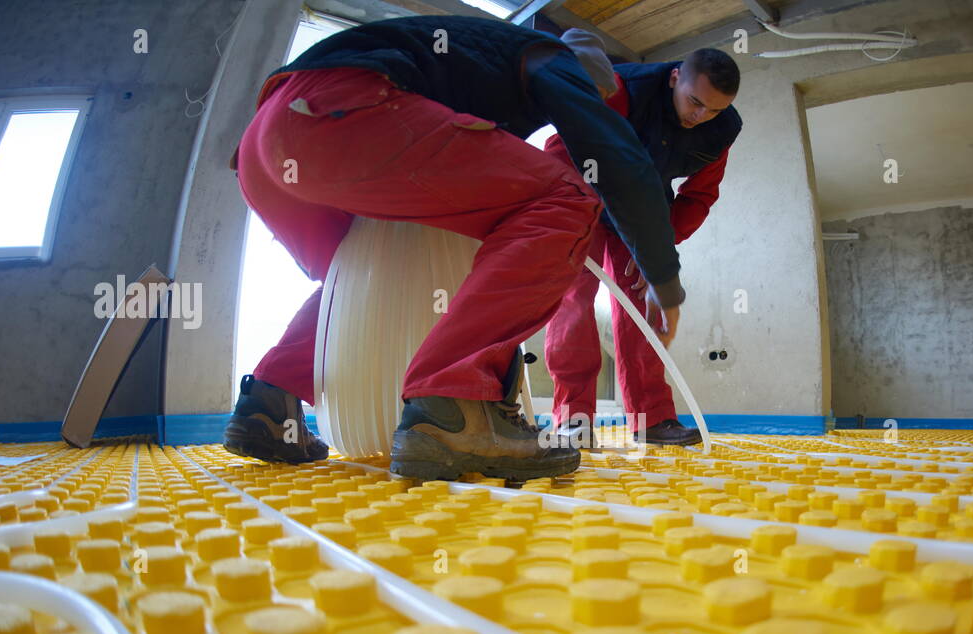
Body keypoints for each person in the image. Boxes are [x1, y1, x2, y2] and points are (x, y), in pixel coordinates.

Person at [221, 16, 684, 480]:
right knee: (565, 200)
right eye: (594, 96)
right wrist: (664, 279)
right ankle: (459, 405)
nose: (590, 104)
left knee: (379, 266)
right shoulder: (553, 59)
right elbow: (616, 156)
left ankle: (269, 403)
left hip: (268, 146)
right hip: (339, 112)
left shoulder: (471, 71)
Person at [543, 49, 740, 447]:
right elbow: (562, 144)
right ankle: (574, 420)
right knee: (573, 300)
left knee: (642, 306)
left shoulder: (721, 131)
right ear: (673, 78)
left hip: (642, 213)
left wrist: (657, 244)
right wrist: (567, 213)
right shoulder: (621, 89)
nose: (700, 116)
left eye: (713, 110)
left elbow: (699, 196)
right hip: (584, 196)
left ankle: (652, 420)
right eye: (695, 102)